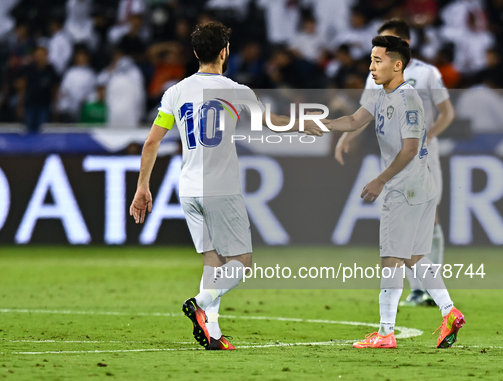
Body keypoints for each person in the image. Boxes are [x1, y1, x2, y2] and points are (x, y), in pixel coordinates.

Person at [129, 21, 323, 351]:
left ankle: (213, 334)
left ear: (195, 54)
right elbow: (270, 124)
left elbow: (150, 143)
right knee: (241, 262)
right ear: (224, 52)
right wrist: (305, 123)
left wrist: (142, 188)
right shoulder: (236, 91)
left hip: (188, 188)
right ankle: (200, 303)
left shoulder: (175, 93)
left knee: (212, 260)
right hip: (221, 188)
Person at [324, 35, 465, 349]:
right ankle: (449, 310)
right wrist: (322, 125)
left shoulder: (407, 98)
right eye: (371, 60)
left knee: (391, 259)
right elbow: (353, 120)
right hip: (419, 186)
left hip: (405, 188)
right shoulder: (379, 93)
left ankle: (386, 332)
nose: (371, 67)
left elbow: (411, 148)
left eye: (378, 61)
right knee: (415, 256)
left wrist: (380, 180)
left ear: (397, 65)